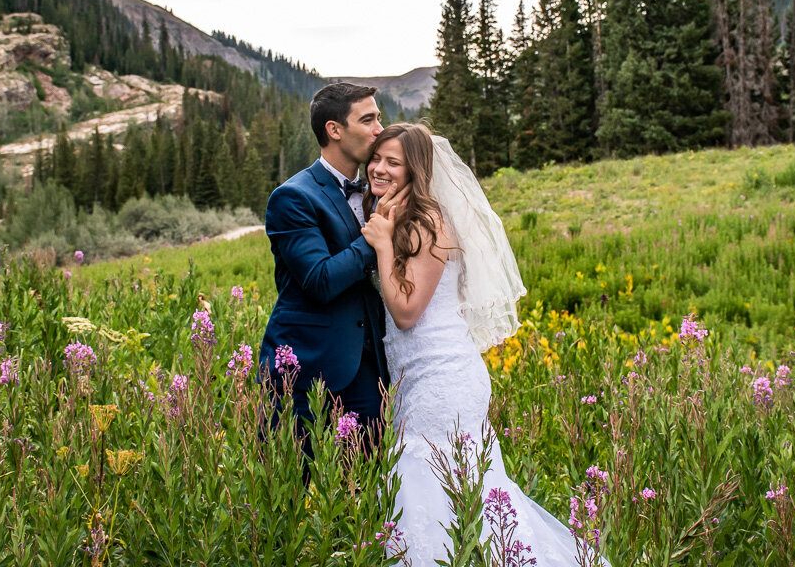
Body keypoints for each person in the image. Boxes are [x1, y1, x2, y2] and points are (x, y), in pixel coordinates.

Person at [360, 122, 608, 567]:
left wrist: (380, 245)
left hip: (442, 380)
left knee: (432, 495)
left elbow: (407, 311)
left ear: (416, 169)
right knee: (455, 498)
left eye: (393, 162)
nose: (379, 168)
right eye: (376, 157)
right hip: (419, 376)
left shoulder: (428, 223)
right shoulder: (401, 217)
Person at [259, 82, 406, 438]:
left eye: (379, 118)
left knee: (368, 481)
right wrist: (375, 237)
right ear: (335, 130)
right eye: (368, 120)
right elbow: (320, 280)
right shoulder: (293, 197)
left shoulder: (380, 190)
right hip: (307, 372)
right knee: (295, 484)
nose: (379, 129)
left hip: (371, 370)